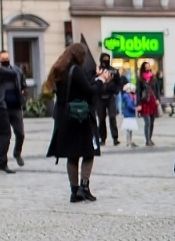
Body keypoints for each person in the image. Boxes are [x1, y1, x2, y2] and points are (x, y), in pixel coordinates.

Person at [44, 41, 102, 202]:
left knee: (72, 154)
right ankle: (84, 187)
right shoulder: (75, 70)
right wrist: (100, 81)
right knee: (89, 152)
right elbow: (89, 92)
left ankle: (74, 191)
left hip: (64, 116)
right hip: (79, 117)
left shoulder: (60, 69)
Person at [0, 50, 28, 166]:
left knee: (20, 133)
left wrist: (23, 97)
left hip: (16, 107)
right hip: (2, 108)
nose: (5, 60)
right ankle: (1, 159)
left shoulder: (17, 71)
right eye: (3, 58)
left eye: (7, 58)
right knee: (4, 135)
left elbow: (24, 85)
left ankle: (17, 153)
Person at [96, 52, 124, 147]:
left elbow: (119, 83)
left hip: (110, 96)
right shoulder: (97, 70)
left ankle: (115, 138)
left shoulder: (113, 71)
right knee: (101, 119)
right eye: (104, 58)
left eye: (107, 58)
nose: (106, 60)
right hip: (100, 97)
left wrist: (116, 91)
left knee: (112, 117)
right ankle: (102, 138)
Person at [137, 62, 162, 147]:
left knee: (152, 122)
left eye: (148, 66)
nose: (148, 68)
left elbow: (157, 89)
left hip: (153, 102)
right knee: (147, 122)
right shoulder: (140, 79)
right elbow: (138, 92)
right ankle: (147, 140)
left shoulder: (153, 77)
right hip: (145, 102)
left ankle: (150, 138)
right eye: (146, 66)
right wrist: (138, 104)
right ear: (143, 68)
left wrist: (158, 99)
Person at [120, 82, 139, 147]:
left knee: (130, 130)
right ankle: (128, 141)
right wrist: (135, 108)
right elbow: (129, 104)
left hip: (130, 114)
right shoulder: (127, 96)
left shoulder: (129, 96)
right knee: (128, 129)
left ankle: (129, 141)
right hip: (128, 115)